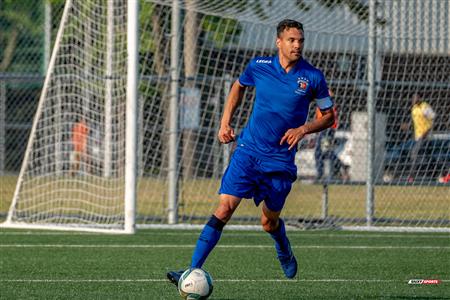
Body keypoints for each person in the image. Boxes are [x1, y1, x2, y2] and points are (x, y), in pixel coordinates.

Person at [167, 19, 335, 285]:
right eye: (292, 40)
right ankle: (189, 271)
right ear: (278, 42)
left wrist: (303, 129)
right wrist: (225, 122)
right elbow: (238, 86)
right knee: (224, 209)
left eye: (301, 40)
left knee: (268, 222)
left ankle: (282, 245)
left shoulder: (313, 77)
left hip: (280, 161)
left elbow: (328, 117)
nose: (297, 45)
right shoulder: (259, 66)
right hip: (248, 150)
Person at [408, 93, 435, 182]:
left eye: (416, 97)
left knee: (414, 153)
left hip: (425, 135)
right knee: (427, 156)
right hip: (417, 135)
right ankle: (436, 174)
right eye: (413, 98)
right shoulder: (414, 108)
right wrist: (408, 126)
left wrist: (427, 132)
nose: (414, 99)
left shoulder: (424, 107)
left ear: (419, 98)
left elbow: (433, 117)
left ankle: (411, 176)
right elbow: (415, 122)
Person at [314, 89, 339, 181]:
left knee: (323, 152)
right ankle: (332, 171)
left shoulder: (329, 103)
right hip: (322, 129)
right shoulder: (321, 103)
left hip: (327, 129)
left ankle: (328, 172)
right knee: (323, 152)